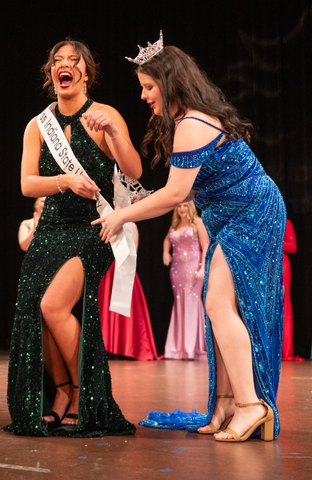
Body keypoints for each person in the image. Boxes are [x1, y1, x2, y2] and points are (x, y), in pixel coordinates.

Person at [93, 34, 286, 442]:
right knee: (214, 301)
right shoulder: (189, 122)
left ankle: (251, 405)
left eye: (148, 87)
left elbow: (174, 195)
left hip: (251, 213)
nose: (144, 96)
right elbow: (172, 192)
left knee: (217, 301)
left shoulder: (193, 124)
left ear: (169, 82)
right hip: (233, 214)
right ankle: (227, 402)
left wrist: (123, 214)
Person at [4, 39, 142, 437]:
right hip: (50, 228)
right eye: (57, 62)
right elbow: (28, 184)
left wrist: (114, 132)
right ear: (51, 74)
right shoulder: (38, 125)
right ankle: (60, 392)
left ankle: (84, 393)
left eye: (73, 61)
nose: (64, 66)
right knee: (33, 311)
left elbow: (133, 170)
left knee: (52, 306)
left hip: (92, 229)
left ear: (86, 72)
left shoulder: (103, 116)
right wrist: (63, 181)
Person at [99, 222, 158, 361]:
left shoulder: (131, 225)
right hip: (108, 269)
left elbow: (134, 250)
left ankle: (126, 347)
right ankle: (108, 346)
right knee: (107, 307)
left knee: (127, 309)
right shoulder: (107, 221)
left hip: (125, 268)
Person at [162, 201, 208, 360]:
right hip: (177, 269)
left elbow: (206, 245)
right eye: (179, 206)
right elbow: (167, 240)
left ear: (190, 207)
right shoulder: (175, 225)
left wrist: (203, 268)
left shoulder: (198, 223)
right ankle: (177, 349)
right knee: (179, 303)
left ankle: (191, 348)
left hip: (194, 268)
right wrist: (165, 253)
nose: (182, 209)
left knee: (191, 302)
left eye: (184, 206)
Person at [282, 219, 298, 361]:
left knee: (284, 305)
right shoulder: (263, 221)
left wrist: (275, 242)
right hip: (265, 267)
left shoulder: (285, 222)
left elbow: (293, 247)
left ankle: (285, 350)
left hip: (282, 266)